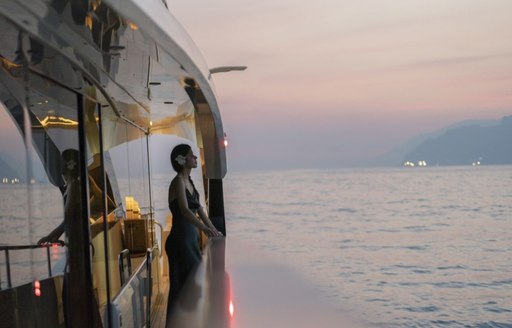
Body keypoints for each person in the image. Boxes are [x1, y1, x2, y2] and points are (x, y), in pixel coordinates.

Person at [166, 144, 222, 317]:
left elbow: (199, 210)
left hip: (190, 240)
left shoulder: (189, 182)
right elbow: (184, 210)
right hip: (180, 240)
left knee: (192, 285)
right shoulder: (178, 182)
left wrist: (214, 230)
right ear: (183, 160)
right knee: (184, 287)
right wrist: (204, 229)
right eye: (192, 156)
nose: (195, 158)